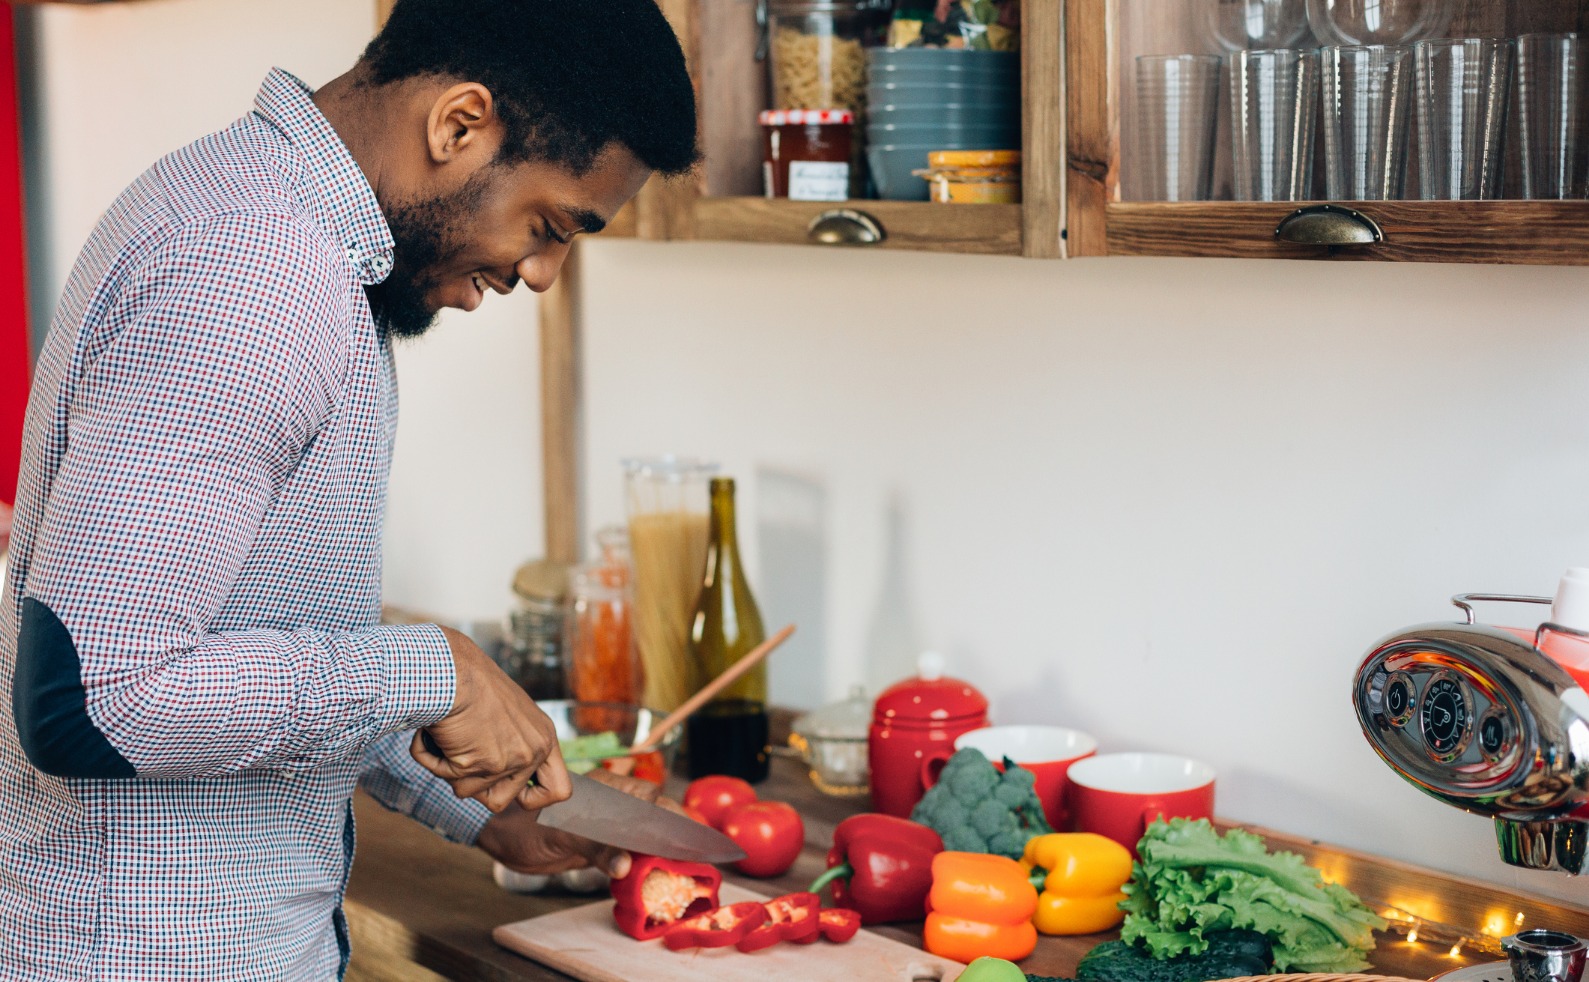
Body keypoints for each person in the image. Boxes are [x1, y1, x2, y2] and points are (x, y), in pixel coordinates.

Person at [0, 1, 698, 978]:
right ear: (458, 123)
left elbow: (261, 634)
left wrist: (477, 815)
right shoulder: (253, 271)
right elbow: (95, 697)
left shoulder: (298, 241)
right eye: (547, 225)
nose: (540, 273)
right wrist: (431, 669)